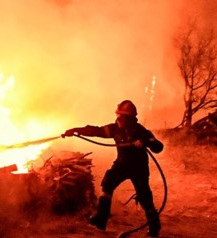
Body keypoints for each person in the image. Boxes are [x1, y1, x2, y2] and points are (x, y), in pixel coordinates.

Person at [63, 100, 164, 237]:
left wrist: (145, 142)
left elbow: (158, 146)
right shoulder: (115, 128)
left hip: (138, 168)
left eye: (121, 116)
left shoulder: (141, 131)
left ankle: (154, 226)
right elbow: (96, 130)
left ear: (129, 119)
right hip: (122, 165)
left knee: (144, 197)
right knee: (108, 183)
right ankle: (101, 219)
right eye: (118, 115)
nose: (118, 119)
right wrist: (75, 130)